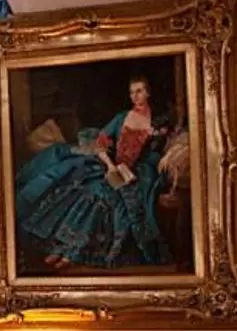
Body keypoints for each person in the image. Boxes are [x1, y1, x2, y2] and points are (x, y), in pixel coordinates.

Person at [14, 75, 175, 270]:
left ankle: (73, 253)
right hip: (112, 167)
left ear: (148, 93)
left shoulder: (156, 123)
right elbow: (101, 143)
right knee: (87, 191)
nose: (135, 96)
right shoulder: (122, 117)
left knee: (105, 198)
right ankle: (61, 248)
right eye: (132, 92)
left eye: (139, 91)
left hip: (136, 173)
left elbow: (156, 154)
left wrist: (155, 140)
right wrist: (110, 165)